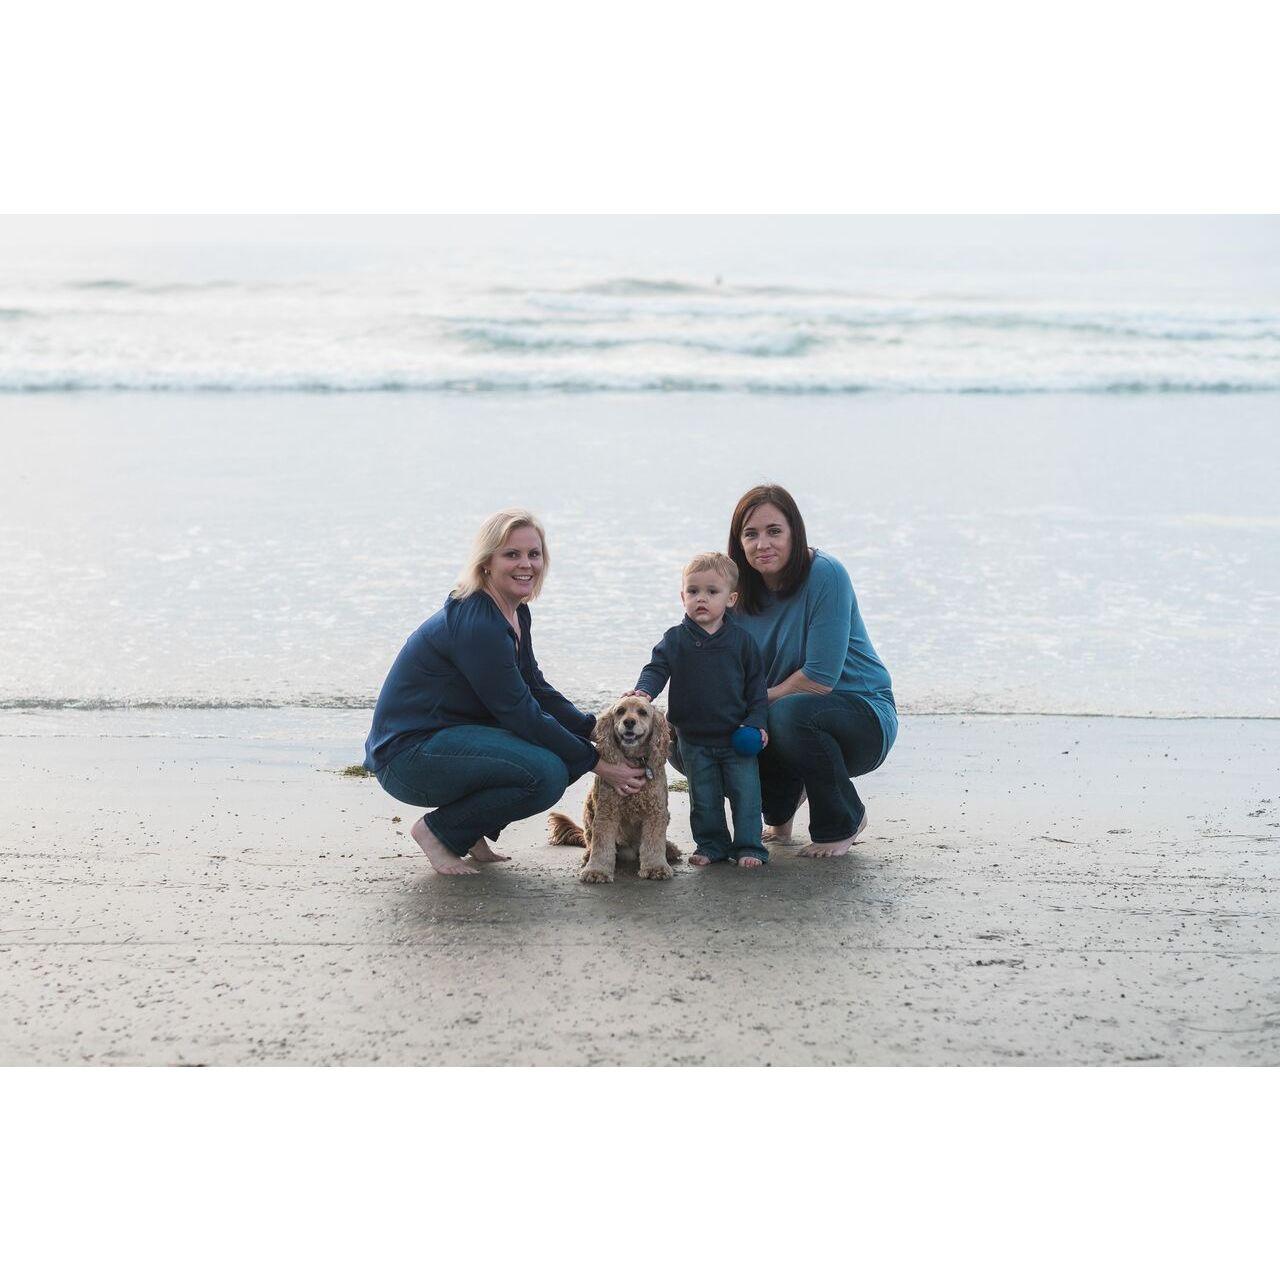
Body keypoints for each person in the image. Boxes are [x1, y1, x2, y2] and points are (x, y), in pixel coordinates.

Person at [364, 508, 647, 875]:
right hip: (408, 757)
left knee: (562, 755)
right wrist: (598, 763)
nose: (526, 564)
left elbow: (535, 687)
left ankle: (468, 832)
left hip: (447, 741)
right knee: (547, 773)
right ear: (486, 562)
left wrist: (593, 729)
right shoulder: (478, 623)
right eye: (512, 554)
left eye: (534, 554)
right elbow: (518, 711)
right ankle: (438, 833)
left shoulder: (514, 611)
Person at [723, 483, 897, 858]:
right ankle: (779, 811)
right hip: (781, 713)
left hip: (860, 715)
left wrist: (753, 702)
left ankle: (843, 819)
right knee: (688, 728)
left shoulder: (826, 575)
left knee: (787, 714)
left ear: (794, 532)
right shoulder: (732, 588)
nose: (762, 544)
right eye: (750, 534)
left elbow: (818, 681)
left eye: (774, 531)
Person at [629, 552, 771, 868]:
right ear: (683, 597)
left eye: (712, 591)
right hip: (693, 739)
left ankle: (750, 846)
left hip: (737, 738)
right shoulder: (675, 639)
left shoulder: (742, 642)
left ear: (731, 599)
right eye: (693, 591)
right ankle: (711, 844)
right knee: (703, 799)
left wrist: (757, 722)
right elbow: (656, 668)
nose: (701, 599)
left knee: (746, 796)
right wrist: (644, 691)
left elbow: (757, 690)